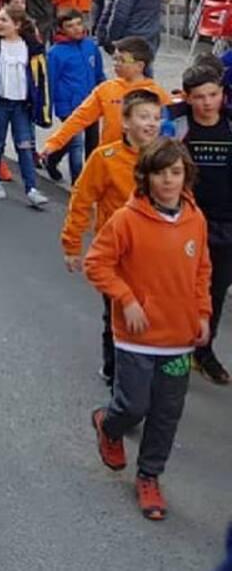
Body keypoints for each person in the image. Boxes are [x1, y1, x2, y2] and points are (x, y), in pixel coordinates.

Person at [86, 138, 211, 522]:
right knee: (133, 406)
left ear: (187, 176)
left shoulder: (196, 220)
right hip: (136, 338)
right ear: (146, 176)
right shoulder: (126, 220)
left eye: (176, 172)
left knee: (167, 413)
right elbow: (97, 263)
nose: (169, 181)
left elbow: (202, 271)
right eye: (160, 173)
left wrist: (203, 314)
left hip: (178, 339)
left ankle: (149, 475)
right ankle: (110, 425)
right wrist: (126, 299)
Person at [61, 89, 163, 387]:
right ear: (126, 121)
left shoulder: (167, 156)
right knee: (118, 314)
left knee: (153, 312)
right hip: (117, 255)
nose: (151, 124)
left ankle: (147, 365)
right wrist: (72, 244)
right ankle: (115, 370)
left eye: (156, 118)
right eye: (144, 117)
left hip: (157, 255)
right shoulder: (105, 158)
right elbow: (81, 200)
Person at [172, 65, 232, 384]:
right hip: (186, 224)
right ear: (188, 97)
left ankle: (204, 351)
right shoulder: (176, 124)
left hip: (225, 225)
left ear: (223, 94)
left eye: (213, 95)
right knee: (180, 289)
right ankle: (174, 350)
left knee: (216, 291)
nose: (207, 103)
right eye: (199, 97)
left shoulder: (230, 125)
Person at [0, 7, 50, 206]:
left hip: (22, 105)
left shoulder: (29, 48)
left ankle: (31, 188)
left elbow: (40, 78)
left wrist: (41, 106)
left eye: (4, 20)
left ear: (17, 25)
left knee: (25, 145)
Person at [42, 36, 170, 160]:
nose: (116, 64)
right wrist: (54, 143)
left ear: (140, 66)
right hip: (110, 158)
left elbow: (170, 129)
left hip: (144, 160)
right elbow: (80, 117)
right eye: (115, 59)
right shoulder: (106, 90)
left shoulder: (157, 94)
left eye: (122, 60)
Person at [45, 9, 107, 184]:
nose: (76, 29)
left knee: (92, 142)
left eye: (79, 24)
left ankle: (54, 159)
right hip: (70, 105)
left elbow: (99, 74)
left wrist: (105, 94)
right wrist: (50, 108)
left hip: (92, 102)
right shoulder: (56, 53)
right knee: (75, 144)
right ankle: (78, 183)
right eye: (70, 26)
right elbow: (51, 82)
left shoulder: (90, 46)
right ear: (61, 29)